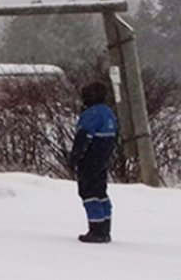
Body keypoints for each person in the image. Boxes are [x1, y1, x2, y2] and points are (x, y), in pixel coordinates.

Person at [69, 81, 118, 243]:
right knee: (101, 191)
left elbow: (84, 137)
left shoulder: (91, 114)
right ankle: (105, 228)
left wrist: (75, 157)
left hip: (90, 158)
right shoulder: (109, 113)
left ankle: (96, 230)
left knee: (88, 192)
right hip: (104, 158)